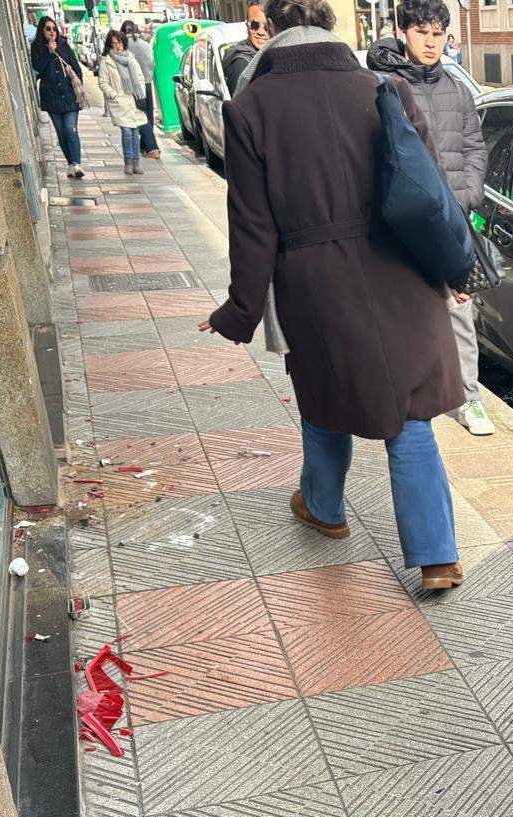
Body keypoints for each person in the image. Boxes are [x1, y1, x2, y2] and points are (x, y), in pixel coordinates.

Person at [201, 0, 468, 589]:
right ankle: (437, 558)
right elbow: (431, 192)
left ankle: (324, 509)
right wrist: (455, 267)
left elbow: (252, 226)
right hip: (402, 269)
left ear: (273, 29)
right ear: (331, 28)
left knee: (324, 398)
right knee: (411, 415)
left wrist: (240, 310)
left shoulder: (250, 109)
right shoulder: (386, 89)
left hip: (316, 282)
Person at [368, 1, 493, 436]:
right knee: (406, 309)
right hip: (404, 221)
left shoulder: (456, 87)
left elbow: (475, 144)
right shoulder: (381, 84)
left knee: (461, 308)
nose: (431, 42)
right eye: (422, 32)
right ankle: (409, 395)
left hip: (453, 216)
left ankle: (469, 398)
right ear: (403, 32)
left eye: (438, 33)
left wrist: (469, 193)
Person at [30, 16, 86, 179]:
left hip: (68, 95)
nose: (52, 32)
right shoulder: (36, 48)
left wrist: (78, 86)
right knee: (61, 133)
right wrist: (48, 52)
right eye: (48, 29)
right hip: (51, 97)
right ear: (42, 30)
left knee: (70, 129)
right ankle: (70, 164)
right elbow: (37, 68)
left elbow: (76, 67)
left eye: (54, 29)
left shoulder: (64, 45)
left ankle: (77, 164)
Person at [98, 28, 148, 174]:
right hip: (120, 102)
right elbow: (103, 82)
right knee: (126, 131)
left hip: (134, 100)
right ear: (110, 44)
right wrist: (114, 95)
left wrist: (141, 92)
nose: (118, 46)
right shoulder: (106, 61)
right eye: (114, 43)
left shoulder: (131, 58)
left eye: (119, 42)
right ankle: (128, 163)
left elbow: (140, 77)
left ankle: (136, 163)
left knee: (135, 132)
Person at [120, 20, 161, 159]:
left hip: (134, 86)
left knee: (140, 115)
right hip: (147, 83)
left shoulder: (123, 47)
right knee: (149, 114)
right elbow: (152, 63)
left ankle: (153, 148)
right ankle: (144, 145)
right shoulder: (145, 44)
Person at [222, 4, 269, 94]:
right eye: (255, 25)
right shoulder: (241, 64)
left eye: (267, 26)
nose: (261, 32)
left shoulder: (275, 54)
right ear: (247, 26)